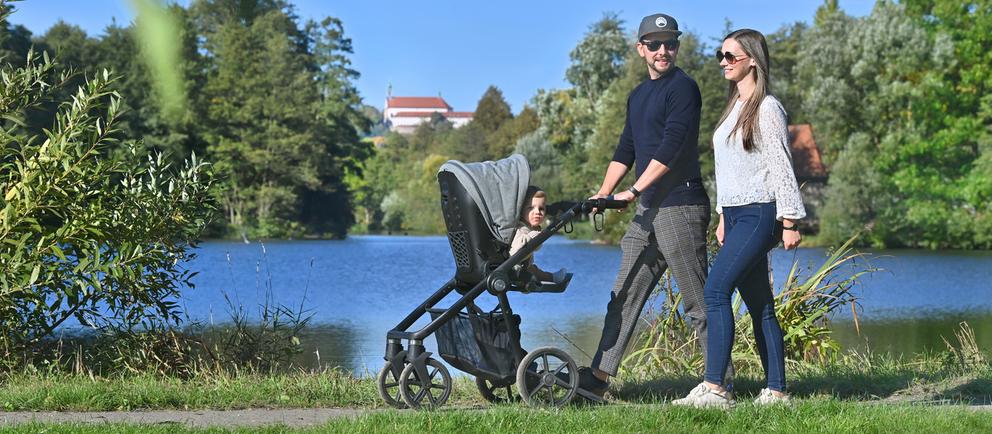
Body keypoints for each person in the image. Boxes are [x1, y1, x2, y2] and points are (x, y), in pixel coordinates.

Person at [581, 13, 730, 398]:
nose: (663, 51)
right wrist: (603, 192)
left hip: (680, 204)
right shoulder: (637, 95)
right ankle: (598, 379)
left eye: (670, 44)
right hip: (648, 210)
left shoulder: (683, 89)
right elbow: (626, 149)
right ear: (640, 49)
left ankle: (720, 382)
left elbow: (672, 146)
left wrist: (632, 191)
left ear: (677, 47)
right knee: (624, 294)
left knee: (698, 301)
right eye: (654, 44)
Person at [672, 28, 805, 408]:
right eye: (721, 55)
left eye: (731, 56)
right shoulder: (734, 107)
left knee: (715, 291)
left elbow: (781, 164)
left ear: (752, 60)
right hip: (735, 214)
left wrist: (791, 221)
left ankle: (715, 388)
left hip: (761, 213)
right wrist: (721, 216)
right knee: (760, 304)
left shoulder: (767, 108)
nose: (723, 62)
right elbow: (729, 168)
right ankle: (777, 392)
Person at [510, 186, 554, 283]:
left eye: (541, 208)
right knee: (533, 272)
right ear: (521, 210)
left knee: (535, 270)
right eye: (531, 208)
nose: (537, 212)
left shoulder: (531, 228)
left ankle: (552, 277)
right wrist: (532, 238)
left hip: (526, 267)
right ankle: (550, 278)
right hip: (516, 269)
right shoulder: (520, 229)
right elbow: (513, 253)